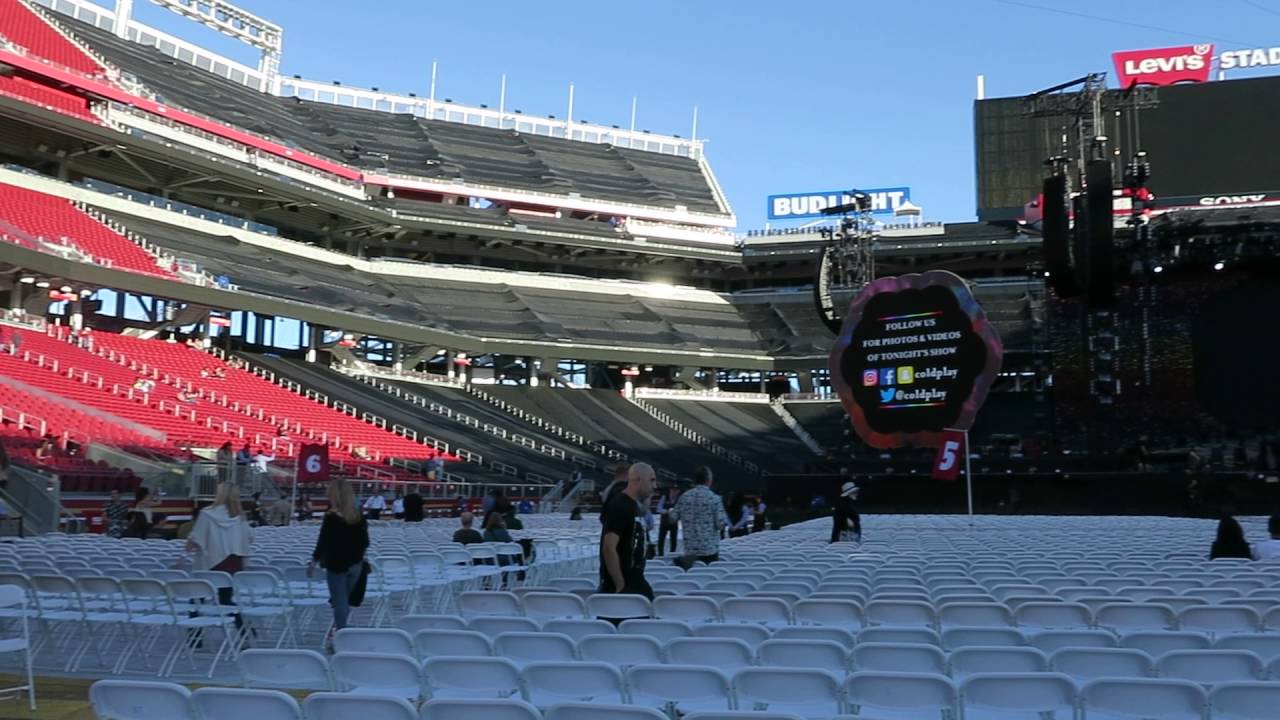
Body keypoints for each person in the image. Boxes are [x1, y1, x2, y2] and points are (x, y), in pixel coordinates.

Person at [308, 479, 370, 637]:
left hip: (336, 564)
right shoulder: (358, 516)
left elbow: (323, 541)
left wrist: (314, 561)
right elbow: (365, 542)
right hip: (356, 563)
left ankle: (340, 633)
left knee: (339, 603)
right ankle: (338, 629)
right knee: (345, 601)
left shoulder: (331, 517)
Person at [186, 483, 252, 624]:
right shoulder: (240, 517)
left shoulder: (207, 513)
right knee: (226, 600)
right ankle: (245, 631)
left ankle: (194, 637)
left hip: (211, 561)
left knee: (197, 599)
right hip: (233, 562)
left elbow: (196, 538)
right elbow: (249, 538)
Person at [598, 462, 656, 608]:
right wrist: (620, 585)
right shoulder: (620, 505)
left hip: (634, 580)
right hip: (623, 584)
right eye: (652, 480)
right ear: (637, 480)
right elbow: (608, 547)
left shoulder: (632, 505)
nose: (655, 486)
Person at [670, 466, 730, 566]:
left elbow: (672, 518)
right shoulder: (714, 499)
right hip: (709, 552)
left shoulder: (684, 497)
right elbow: (721, 525)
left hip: (690, 552)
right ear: (708, 480)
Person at [655, 487, 680, 557]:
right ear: (670, 490)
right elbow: (658, 508)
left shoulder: (679, 499)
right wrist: (666, 511)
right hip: (664, 522)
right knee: (661, 540)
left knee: (674, 541)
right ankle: (660, 555)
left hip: (674, 522)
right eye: (673, 490)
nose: (674, 492)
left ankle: (672, 555)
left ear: (678, 491)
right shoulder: (664, 497)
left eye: (676, 490)